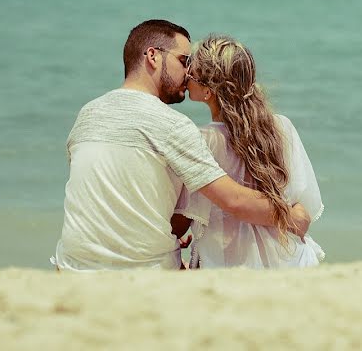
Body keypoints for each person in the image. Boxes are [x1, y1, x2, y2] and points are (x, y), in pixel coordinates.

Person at [53, 20, 310, 271]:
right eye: (183, 60)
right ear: (152, 56)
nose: (188, 73)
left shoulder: (88, 114)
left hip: (71, 267)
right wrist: (292, 216)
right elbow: (233, 199)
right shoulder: (173, 125)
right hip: (144, 270)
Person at [175, 34, 324, 268]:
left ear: (208, 91)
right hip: (288, 257)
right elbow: (301, 205)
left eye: (191, 73)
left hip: (230, 263)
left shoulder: (204, 140)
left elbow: (181, 220)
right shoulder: (281, 126)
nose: (186, 76)